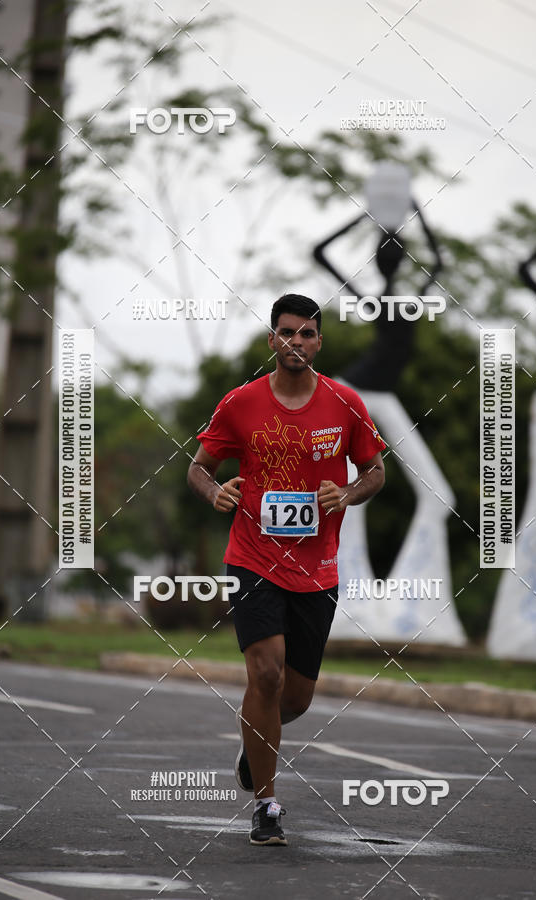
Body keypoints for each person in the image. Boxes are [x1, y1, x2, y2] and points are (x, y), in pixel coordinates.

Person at [187, 293, 386, 845]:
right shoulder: (240, 403)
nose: (294, 341)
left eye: (305, 333)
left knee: (294, 698)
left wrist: (346, 493)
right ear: (271, 340)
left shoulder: (344, 404)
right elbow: (199, 467)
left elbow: (376, 472)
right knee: (266, 675)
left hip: (317, 569)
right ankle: (266, 804)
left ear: (319, 342)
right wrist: (215, 492)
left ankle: (255, 748)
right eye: (285, 332)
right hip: (252, 558)